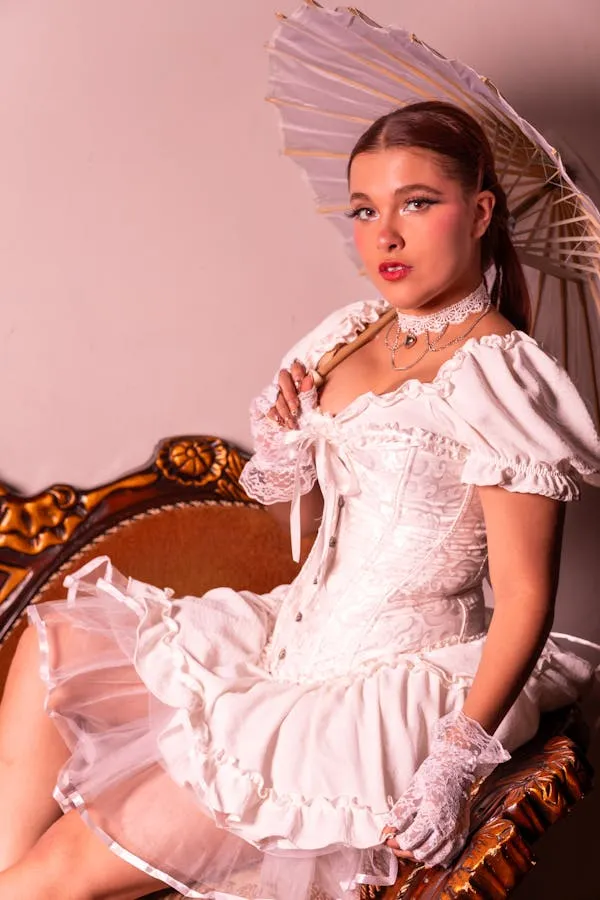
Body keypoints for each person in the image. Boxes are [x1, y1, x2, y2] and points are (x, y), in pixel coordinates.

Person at [0, 100, 599, 900]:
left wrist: (455, 763)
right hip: (288, 642)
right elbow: (312, 535)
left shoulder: (500, 375)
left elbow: (525, 600)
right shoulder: (348, 334)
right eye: (365, 210)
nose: (386, 235)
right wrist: (289, 451)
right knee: (55, 647)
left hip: (380, 691)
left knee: (54, 876)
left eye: (417, 203)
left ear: (481, 212)